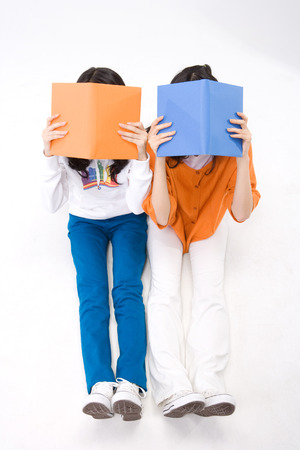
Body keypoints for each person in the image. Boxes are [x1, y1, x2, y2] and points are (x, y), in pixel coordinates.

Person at [143, 64, 260, 418]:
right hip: (169, 219)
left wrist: (242, 154)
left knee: (211, 293)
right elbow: (161, 216)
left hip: (210, 218)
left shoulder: (230, 145)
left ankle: (210, 381)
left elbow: (241, 212)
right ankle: (172, 386)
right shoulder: (157, 139)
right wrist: (159, 157)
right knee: (164, 293)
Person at [41, 67, 152, 421]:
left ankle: (131, 382)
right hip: (84, 221)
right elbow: (51, 205)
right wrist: (48, 153)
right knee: (92, 296)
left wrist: (141, 154)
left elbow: (136, 205)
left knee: (127, 291)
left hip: (127, 219)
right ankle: (100, 384)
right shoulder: (67, 137)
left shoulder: (132, 136)